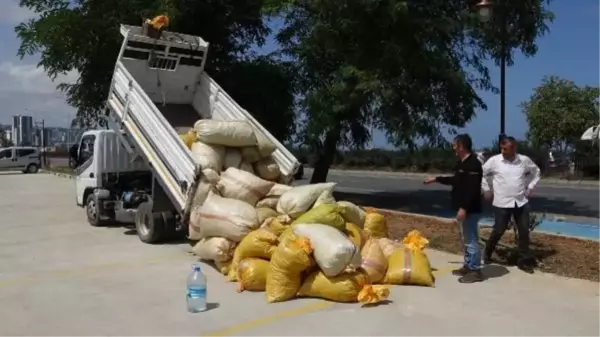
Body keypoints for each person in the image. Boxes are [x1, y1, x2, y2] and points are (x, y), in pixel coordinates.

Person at [424, 134, 484, 283]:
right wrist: (436, 179)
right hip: (465, 207)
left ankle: (475, 270)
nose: (454, 149)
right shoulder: (463, 163)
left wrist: (464, 208)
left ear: (461, 146)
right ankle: (468, 266)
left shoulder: (473, 164)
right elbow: (456, 181)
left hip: (470, 209)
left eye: (455, 146)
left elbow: (473, 190)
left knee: (471, 240)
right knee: (467, 238)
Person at [481, 136, 541, 273]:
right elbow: (481, 174)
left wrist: (530, 187)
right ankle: (487, 253)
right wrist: (486, 189)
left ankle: (523, 261)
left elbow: (536, 172)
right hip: (501, 202)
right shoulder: (494, 161)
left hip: (520, 202)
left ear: (514, 148)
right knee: (499, 230)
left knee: (524, 231)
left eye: (505, 148)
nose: (502, 151)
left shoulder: (524, 160)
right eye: (501, 148)